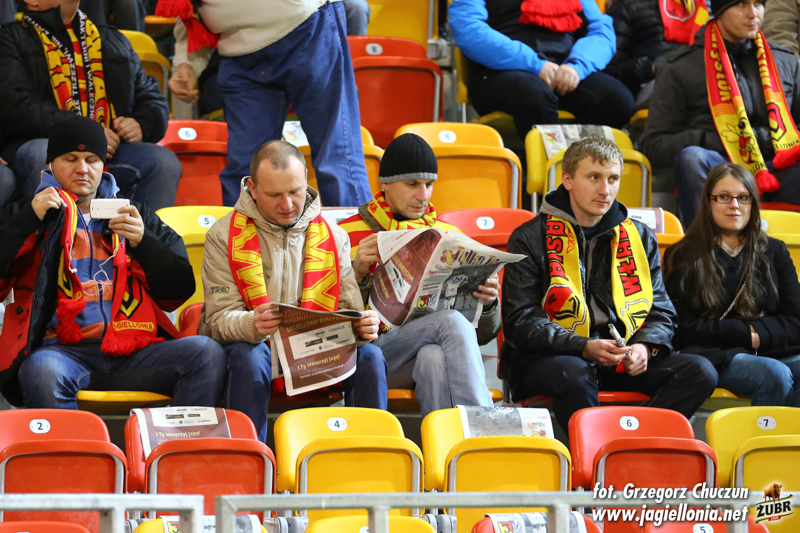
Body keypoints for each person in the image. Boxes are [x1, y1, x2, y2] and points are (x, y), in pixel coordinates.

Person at [0, 115, 226, 408]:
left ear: (103, 166)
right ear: (51, 164)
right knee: (42, 371)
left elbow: (178, 292)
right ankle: (74, 441)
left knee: (206, 352)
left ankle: (181, 439)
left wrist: (144, 243)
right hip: (61, 352)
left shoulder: (136, 215)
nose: (83, 169)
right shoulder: (29, 215)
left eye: (92, 160)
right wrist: (26, 221)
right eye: (70, 159)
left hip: (136, 351)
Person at [501, 137, 716, 430]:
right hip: (551, 358)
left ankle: (634, 444)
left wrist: (645, 348)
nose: (605, 190)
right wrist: (583, 346)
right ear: (567, 180)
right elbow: (521, 320)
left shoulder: (639, 236)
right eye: (594, 177)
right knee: (574, 374)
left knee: (700, 371)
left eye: (613, 179)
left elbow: (660, 310)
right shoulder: (529, 236)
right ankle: (596, 451)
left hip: (619, 357)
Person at [199, 140, 387, 443]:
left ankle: (369, 454)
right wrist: (252, 323)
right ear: (252, 188)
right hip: (256, 348)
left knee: (370, 356)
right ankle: (249, 457)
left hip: (314, 350)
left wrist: (362, 327)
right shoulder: (223, 235)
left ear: (306, 182)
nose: (287, 205)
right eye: (274, 195)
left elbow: (348, 310)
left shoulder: (334, 236)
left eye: (295, 192)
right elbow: (218, 319)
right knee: (250, 357)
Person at [339, 133, 497, 418]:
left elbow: (483, 336)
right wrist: (358, 273)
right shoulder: (346, 234)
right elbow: (330, 321)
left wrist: (488, 305)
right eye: (412, 184)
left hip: (424, 353)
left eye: (429, 184)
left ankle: (447, 444)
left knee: (433, 357)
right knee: (449, 321)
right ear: (384, 184)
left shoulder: (451, 236)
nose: (423, 195)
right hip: (371, 358)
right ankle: (484, 425)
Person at [163, 0, 372, 208]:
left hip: (308, 29)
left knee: (336, 157)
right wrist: (186, 61)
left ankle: (356, 229)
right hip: (238, 51)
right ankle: (243, 231)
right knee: (247, 170)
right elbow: (188, 9)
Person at [0, 0, 181, 211]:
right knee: (41, 152)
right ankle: (54, 231)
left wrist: (142, 124)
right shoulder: (10, 38)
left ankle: (141, 232)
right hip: (42, 145)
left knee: (162, 161)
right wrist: (87, 133)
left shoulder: (111, 38)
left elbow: (152, 98)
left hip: (109, 148)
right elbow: (16, 106)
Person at [641, 0, 800, 226]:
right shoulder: (679, 67)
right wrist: (708, 139)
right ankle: (706, 247)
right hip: (720, 168)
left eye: (758, 4)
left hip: (778, 168)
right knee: (692, 158)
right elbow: (653, 144)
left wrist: (759, 140)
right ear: (719, 11)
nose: (753, 14)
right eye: (742, 4)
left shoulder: (785, 61)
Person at [664, 163, 800, 406]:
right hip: (714, 355)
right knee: (774, 374)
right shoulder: (683, 254)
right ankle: (761, 433)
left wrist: (755, 336)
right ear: (708, 202)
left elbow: (795, 321)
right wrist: (747, 334)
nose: (734, 205)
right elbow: (681, 327)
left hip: (771, 350)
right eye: (724, 197)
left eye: (743, 197)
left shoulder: (775, 251)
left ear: (752, 203)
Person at [448, 0, 634, 144]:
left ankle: (576, 166)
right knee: (534, 97)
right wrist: (535, 65)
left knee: (617, 99)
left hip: (565, 68)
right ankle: (544, 174)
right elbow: (468, 27)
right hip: (500, 71)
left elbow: (600, 31)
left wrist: (576, 66)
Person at [605, 0, 709, 105]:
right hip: (656, 84)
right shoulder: (627, 6)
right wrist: (650, 67)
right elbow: (610, 72)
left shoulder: (706, 7)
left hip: (702, 79)